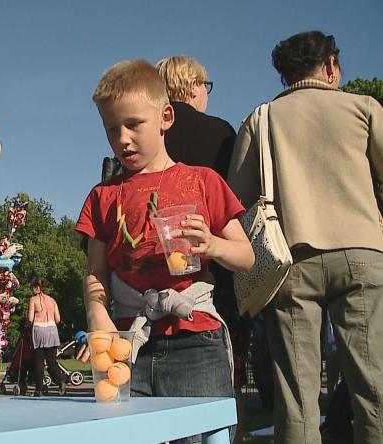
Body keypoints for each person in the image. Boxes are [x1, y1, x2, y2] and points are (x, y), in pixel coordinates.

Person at [75, 59, 254, 443]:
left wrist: (213, 244)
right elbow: (96, 272)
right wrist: (96, 313)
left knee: (202, 435)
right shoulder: (102, 197)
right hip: (129, 343)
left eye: (133, 125)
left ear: (165, 117)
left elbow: (247, 256)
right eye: (111, 129)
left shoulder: (203, 182)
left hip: (195, 340)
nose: (122, 139)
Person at [228, 31, 383, 443]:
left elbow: (237, 199)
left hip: (291, 261)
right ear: (331, 64)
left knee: (296, 397)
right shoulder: (364, 108)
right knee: (373, 387)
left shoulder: (261, 119)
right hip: (362, 252)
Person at [156, 55, 249, 443]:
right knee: (220, 362)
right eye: (205, 86)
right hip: (213, 264)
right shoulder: (221, 134)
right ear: (193, 85)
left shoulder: (151, 133)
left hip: (153, 269)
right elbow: (238, 196)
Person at [27, 277, 65, 397]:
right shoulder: (52, 301)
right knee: (52, 361)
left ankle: (38, 389)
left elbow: (30, 318)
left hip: (39, 329)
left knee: (39, 361)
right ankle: (60, 381)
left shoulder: (33, 300)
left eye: (33, 288)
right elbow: (58, 319)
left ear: (37, 288)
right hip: (52, 330)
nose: (32, 290)